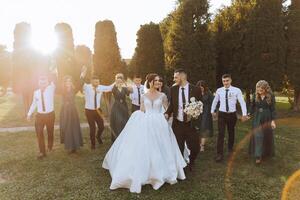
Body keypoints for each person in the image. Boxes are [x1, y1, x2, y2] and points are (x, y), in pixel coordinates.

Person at [103, 73, 186, 193]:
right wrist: (138, 118)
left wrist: (167, 117)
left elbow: (168, 110)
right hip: (147, 122)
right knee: (145, 147)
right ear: (150, 82)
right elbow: (142, 110)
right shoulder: (143, 96)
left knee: (161, 147)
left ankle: (161, 171)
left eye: (159, 80)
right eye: (155, 80)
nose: (158, 82)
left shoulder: (162, 95)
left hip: (159, 123)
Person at [165, 69, 202, 171]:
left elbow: (200, 105)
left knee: (195, 147)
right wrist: (167, 113)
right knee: (178, 147)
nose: (174, 79)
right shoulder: (173, 89)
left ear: (183, 77)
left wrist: (195, 114)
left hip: (191, 124)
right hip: (178, 124)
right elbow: (172, 104)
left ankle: (192, 161)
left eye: (176, 77)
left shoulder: (196, 89)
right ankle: (181, 167)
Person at [211, 74, 248, 162]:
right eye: (224, 81)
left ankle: (230, 148)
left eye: (227, 80)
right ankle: (219, 154)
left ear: (230, 80)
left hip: (232, 115)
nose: (225, 82)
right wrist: (212, 111)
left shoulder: (236, 90)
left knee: (231, 131)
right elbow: (215, 101)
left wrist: (244, 114)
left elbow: (242, 102)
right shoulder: (219, 90)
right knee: (221, 133)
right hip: (222, 114)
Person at [80, 67, 114, 150]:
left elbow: (109, 88)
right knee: (92, 128)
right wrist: (82, 74)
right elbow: (81, 82)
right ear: (91, 82)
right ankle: (93, 144)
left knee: (101, 127)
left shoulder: (100, 87)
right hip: (89, 111)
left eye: (98, 81)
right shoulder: (87, 87)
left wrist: (116, 81)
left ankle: (98, 136)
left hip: (98, 110)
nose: (97, 83)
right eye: (95, 81)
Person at [27, 75, 55, 159]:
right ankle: (42, 152)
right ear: (38, 84)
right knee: (39, 132)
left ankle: (50, 146)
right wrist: (29, 114)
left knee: (50, 132)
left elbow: (55, 79)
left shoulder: (51, 88)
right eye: (41, 83)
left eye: (44, 83)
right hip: (39, 116)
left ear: (47, 83)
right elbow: (34, 104)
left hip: (50, 115)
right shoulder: (36, 92)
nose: (43, 84)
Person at [249, 80, 276, 164]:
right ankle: (258, 156)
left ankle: (265, 153)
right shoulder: (255, 95)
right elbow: (252, 106)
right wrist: (249, 113)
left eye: (261, 89)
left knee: (266, 135)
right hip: (257, 117)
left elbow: (273, 109)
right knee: (258, 135)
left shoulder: (271, 96)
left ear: (265, 89)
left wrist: (273, 121)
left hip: (267, 117)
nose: (259, 91)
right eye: (258, 89)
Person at [59, 75, 83, 153]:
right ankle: (69, 146)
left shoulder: (73, 89)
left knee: (74, 127)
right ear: (64, 82)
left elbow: (79, 85)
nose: (68, 83)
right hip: (65, 111)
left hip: (73, 111)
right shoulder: (62, 90)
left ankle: (75, 146)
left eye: (69, 81)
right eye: (66, 81)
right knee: (67, 128)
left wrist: (82, 75)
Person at [110, 73, 132, 141]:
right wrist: (116, 84)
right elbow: (112, 91)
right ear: (116, 81)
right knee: (117, 121)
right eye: (118, 81)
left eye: (120, 81)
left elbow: (129, 93)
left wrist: (125, 84)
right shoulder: (114, 88)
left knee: (124, 121)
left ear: (122, 81)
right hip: (116, 106)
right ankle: (117, 136)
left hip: (124, 106)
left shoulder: (124, 88)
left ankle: (124, 136)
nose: (119, 82)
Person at [195, 80, 214, 152]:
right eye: (199, 87)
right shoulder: (195, 93)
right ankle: (198, 143)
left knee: (204, 128)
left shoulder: (208, 93)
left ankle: (202, 145)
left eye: (202, 87)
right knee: (197, 129)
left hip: (206, 113)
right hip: (197, 113)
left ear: (204, 87)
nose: (201, 88)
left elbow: (213, 102)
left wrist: (213, 111)